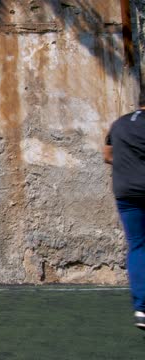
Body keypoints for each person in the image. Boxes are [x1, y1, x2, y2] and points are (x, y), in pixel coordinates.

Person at [104, 94, 145, 330]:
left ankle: (142, 307)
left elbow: (107, 155)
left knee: (138, 246)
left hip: (126, 192)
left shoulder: (119, 124)